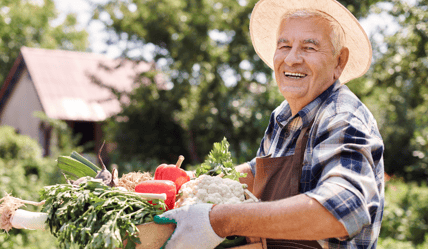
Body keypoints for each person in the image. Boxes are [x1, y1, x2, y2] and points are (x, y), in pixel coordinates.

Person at [154, 0, 385, 248]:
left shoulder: (342, 117)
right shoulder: (283, 115)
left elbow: (344, 209)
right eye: (284, 45)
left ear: (339, 62)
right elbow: (258, 173)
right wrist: (196, 184)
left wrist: (219, 220)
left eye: (309, 47)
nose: (292, 58)